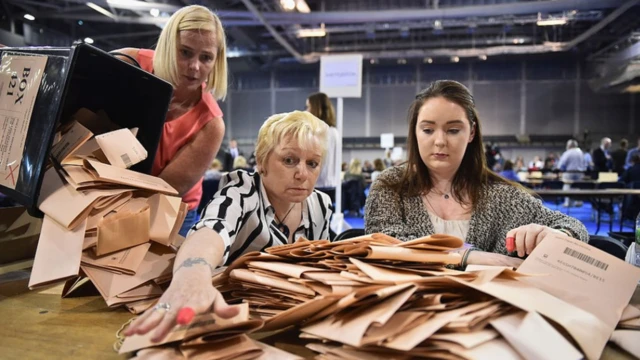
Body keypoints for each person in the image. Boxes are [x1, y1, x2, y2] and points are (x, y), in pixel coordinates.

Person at [124, 111, 333, 342]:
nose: (302, 174)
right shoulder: (241, 193)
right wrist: (192, 277)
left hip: (288, 323)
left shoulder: (320, 206)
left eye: (312, 163)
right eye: (289, 160)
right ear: (262, 162)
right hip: (234, 322)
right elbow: (211, 230)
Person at [365, 80, 588, 269]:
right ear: (415, 131)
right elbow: (385, 245)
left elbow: (576, 229)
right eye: (427, 130)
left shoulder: (501, 197)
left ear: (471, 132)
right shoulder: (390, 187)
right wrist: (468, 257)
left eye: (453, 130)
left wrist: (554, 235)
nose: (440, 141)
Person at [113, 5, 227, 236]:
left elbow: (163, 191)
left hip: (169, 209)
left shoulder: (210, 125)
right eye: (185, 52)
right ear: (167, 45)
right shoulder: (129, 64)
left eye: (206, 57)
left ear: (216, 62)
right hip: (110, 192)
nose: (194, 66)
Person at [306, 92, 339, 205]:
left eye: (308, 107)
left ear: (316, 109)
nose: (306, 111)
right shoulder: (334, 131)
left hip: (318, 185)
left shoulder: (318, 132)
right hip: (331, 184)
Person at [557, 139, 586, 208]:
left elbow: (562, 164)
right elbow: (585, 163)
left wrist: (560, 169)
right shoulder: (581, 152)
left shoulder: (568, 152)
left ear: (569, 145)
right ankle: (578, 202)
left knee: (567, 186)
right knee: (577, 187)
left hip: (569, 172)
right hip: (580, 172)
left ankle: (568, 203)